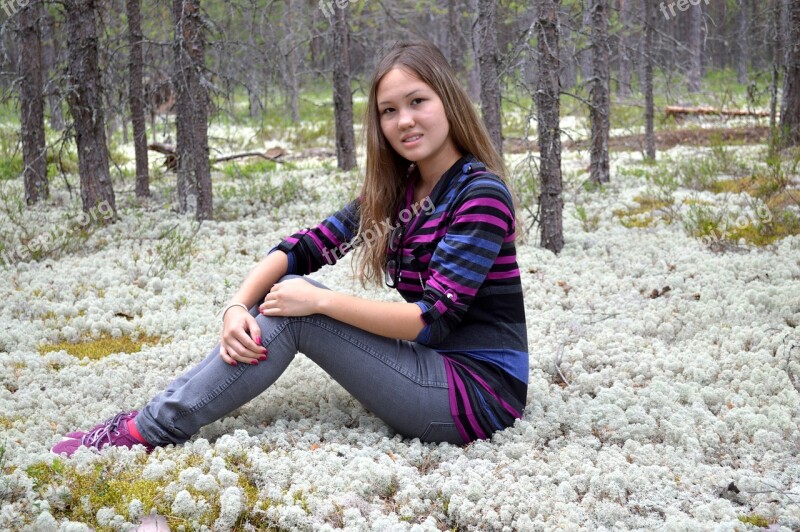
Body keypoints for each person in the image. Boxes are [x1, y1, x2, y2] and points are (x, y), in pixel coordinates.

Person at [52, 40, 529, 456]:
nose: (404, 121)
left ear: (447, 100)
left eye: (417, 101)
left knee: (297, 306)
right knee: (287, 290)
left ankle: (147, 428)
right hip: (435, 370)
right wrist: (237, 306)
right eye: (389, 110)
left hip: (477, 396)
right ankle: (151, 419)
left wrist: (319, 301)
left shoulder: (478, 193)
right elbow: (305, 247)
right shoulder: (399, 191)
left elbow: (431, 318)